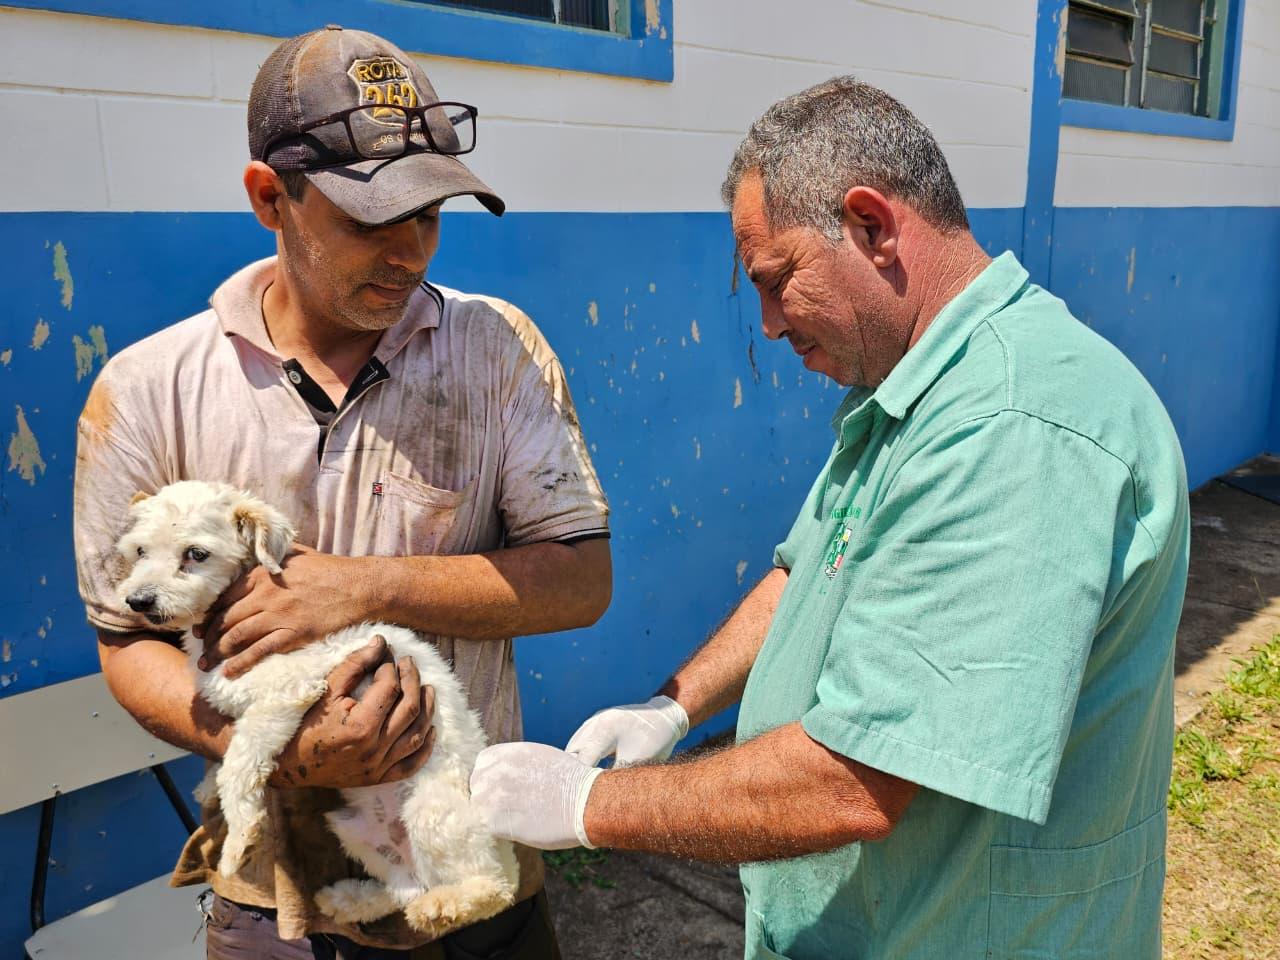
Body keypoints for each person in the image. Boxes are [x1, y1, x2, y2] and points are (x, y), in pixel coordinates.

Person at [470, 76, 1190, 959]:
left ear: (872, 227)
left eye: (777, 282)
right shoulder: (915, 390)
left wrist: (587, 807)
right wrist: (673, 706)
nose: (769, 325)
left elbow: (854, 781)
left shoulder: (1012, 427)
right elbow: (807, 572)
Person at [72, 25, 611, 960]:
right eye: (368, 220)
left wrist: (362, 587)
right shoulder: (150, 390)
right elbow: (128, 644)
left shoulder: (495, 352)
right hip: (272, 898)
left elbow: (581, 580)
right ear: (269, 198)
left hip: (466, 864)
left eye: (429, 217)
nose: (409, 254)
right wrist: (281, 751)